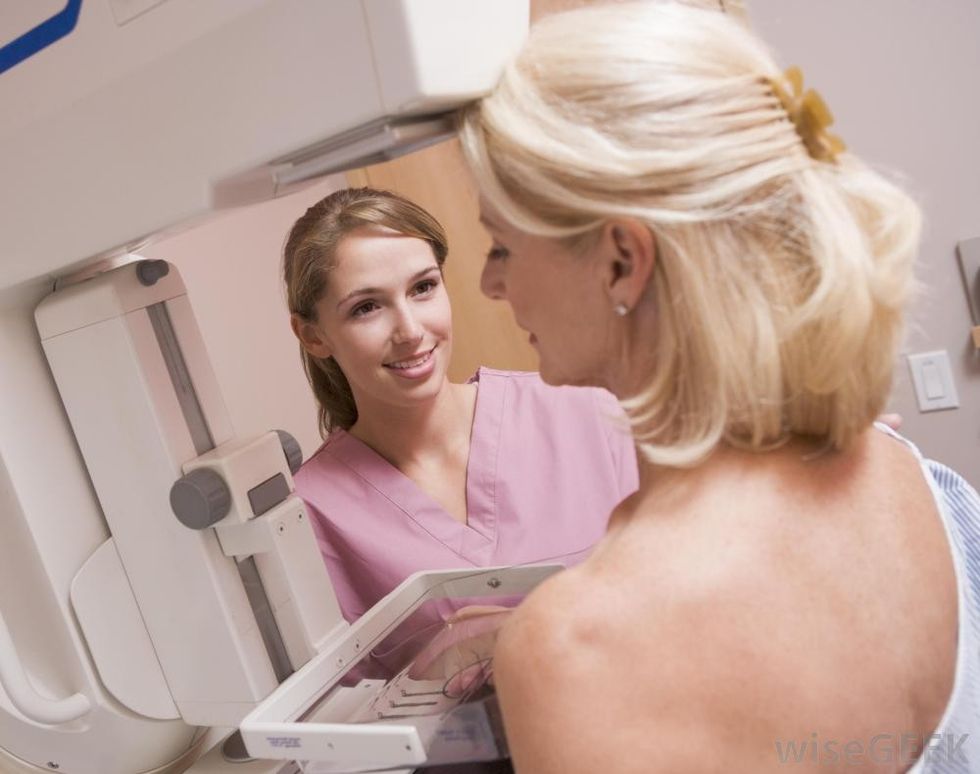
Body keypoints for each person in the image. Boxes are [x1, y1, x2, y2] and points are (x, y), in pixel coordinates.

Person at [457, 2, 980, 772]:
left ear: (621, 262)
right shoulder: (920, 482)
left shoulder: (578, 649)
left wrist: (555, 647)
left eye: (502, 245)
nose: (488, 282)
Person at [283, 187, 638, 678]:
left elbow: (694, 591)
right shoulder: (310, 513)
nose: (410, 330)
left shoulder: (584, 409)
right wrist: (437, 663)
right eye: (367, 308)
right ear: (314, 335)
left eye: (423, 288)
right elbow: (340, 718)